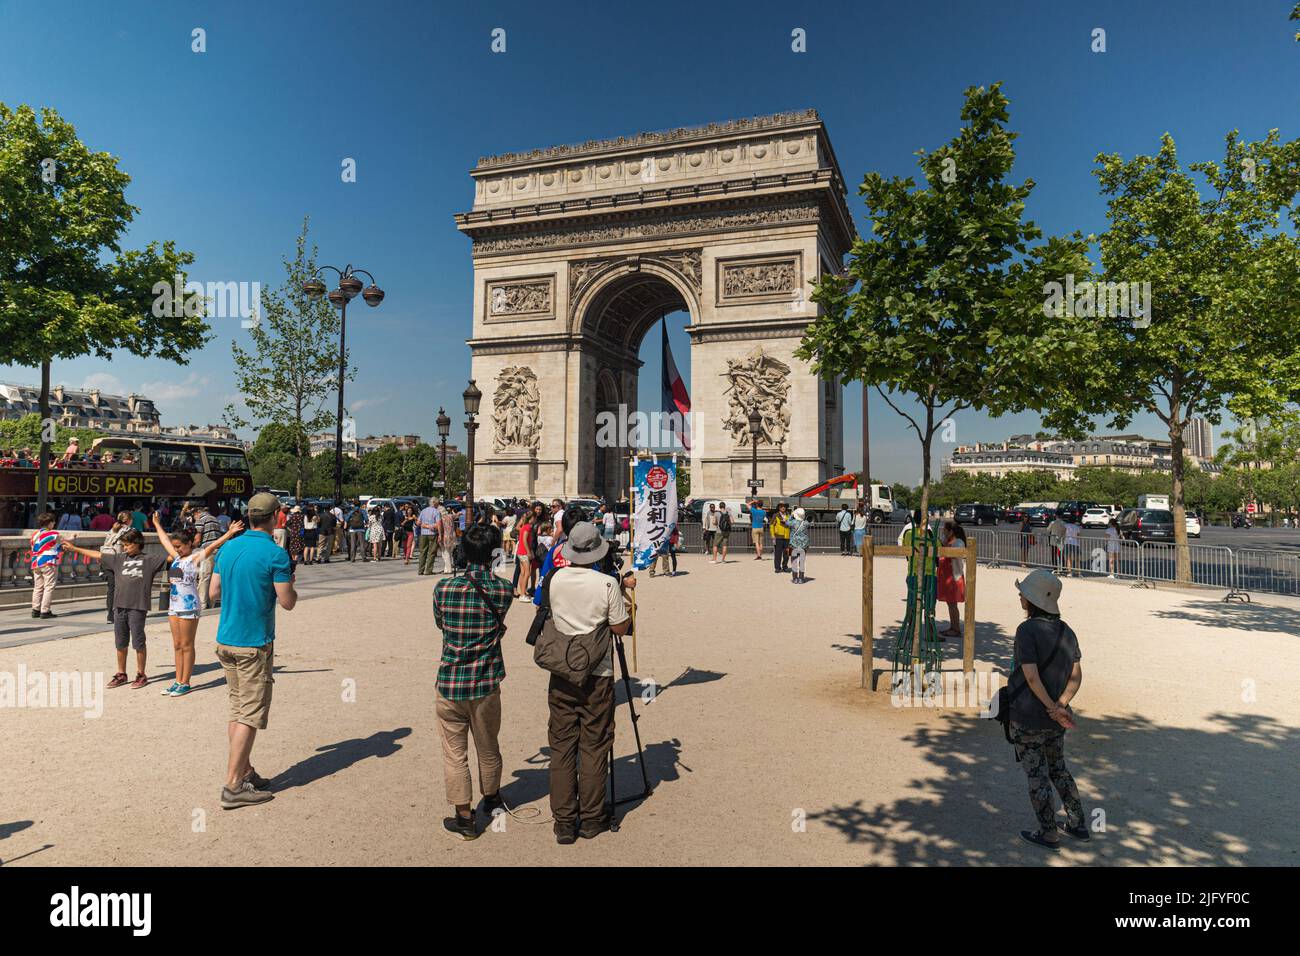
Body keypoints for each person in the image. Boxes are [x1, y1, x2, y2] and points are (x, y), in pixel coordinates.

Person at [544, 521, 635, 844]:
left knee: (562, 746)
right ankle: (592, 818)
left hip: (562, 671)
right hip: (598, 674)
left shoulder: (554, 579)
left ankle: (564, 821)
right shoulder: (607, 584)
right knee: (595, 745)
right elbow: (621, 629)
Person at [210, 492, 298, 809]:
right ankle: (233, 785)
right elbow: (287, 601)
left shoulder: (229, 546)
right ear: (275, 517)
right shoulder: (275, 554)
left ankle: (245, 769)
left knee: (237, 709)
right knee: (250, 713)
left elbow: (214, 591)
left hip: (225, 638)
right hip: (254, 641)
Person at [432, 523, 512, 841]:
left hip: (451, 681)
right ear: (495, 554)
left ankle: (464, 818)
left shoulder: (443, 588)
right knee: (488, 747)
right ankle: (491, 798)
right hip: (486, 681)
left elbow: (441, 623)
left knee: (455, 753)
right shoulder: (503, 590)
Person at [1007, 569, 1087, 851]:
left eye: (1024, 593)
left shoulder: (1026, 630)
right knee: (1059, 768)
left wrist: (1049, 705)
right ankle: (1077, 823)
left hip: (1029, 715)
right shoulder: (1068, 631)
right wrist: (1061, 704)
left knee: (1037, 774)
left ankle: (1049, 831)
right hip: (1056, 720)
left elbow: (1030, 676)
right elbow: (1076, 675)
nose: (1020, 596)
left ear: (1033, 600)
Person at [65, 528, 170, 689]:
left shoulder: (150, 559)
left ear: (137, 544)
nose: (124, 548)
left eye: (127, 545)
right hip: (119, 606)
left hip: (138, 606)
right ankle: (121, 673)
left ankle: (141, 674)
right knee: (120, 642)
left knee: (138, 641)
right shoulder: (118, 558)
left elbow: (172, 558)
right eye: (123, 545)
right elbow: (98, 555)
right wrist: (74, 549)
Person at [151, 511, 243, 696]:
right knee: (177, 644)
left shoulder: (193, 558)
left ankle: (185, 682)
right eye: (175, 547)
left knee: (187, 644)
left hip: (189, 606)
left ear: (189, 544)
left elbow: (213, 546)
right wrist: (156, 524)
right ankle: (177, 681)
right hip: (174, 606)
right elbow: (165, 541)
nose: (176, 549)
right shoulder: (177, 558)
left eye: (180, 547)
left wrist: (229, 533)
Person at [28, 512, 63, 619]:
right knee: (49, 586)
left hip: (35, 562)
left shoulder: (34, 534)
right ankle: (45, 610)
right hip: (48, 561)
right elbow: (63, 542)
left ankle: (35, 610)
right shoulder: (53, 534)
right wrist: (73, 537)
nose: (54, 524)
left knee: (38, 587)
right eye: (53, 522)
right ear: (50, 523)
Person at [99, 511, 132, 623]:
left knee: (111, 589)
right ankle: (121, 611)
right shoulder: (129, 531)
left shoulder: (112, 530)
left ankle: (110, 614)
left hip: (106, 560)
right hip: (119, 561)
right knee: (123, 587)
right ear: (129, 520)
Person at [937, 520, 967, 638]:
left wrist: (944, 544)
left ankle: (956, 628)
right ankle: (953, 626)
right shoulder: (947, 541)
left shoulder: (958, 542)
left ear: (951, 531)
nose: (943, 532)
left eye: (945, 530)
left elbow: (955, 554)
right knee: (950, 604)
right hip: (947, 577)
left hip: (954, 577)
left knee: (953, 604)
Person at [192, 502, 222, 608]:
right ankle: (211, 602)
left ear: (197, 513)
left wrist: (191, 546)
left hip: (207, 550)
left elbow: (198, 538)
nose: (194, 519)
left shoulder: (201, 519)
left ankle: (202, 602)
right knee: (212, 576)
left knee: (204, 576)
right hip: (216, 550)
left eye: (193, 516)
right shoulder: (214, 519)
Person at [417, 499, 442, 575]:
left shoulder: (423, 511)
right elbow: (439, 524)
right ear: (435, 503)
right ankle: (428, 570)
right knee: (431, 552)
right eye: (437, 503)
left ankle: (420, 570)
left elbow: (418, 523)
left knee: (422, 552)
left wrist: (425, 526)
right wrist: (440, 534)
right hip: (432, 534)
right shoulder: (436, 512)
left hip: (423, 534)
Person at [787, 507, 811, 584]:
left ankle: (795, 578)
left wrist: (791, 515)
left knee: (794, 562)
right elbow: (807, 522)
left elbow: (787, 522)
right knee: (802, 562)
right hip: (803, 545)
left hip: (794, 545)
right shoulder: (806, 523)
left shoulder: (793, 522)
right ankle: (801, 578)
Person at [438, 503, 459, 575]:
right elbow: (456, 516)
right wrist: (458, 513)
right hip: (452, 536)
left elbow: (439, 528)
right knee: (449, 553)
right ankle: (446, 569)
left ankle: (448, 569)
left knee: (445, 553)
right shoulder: (450, 516)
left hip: (445, 536)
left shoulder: (441, 519)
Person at [771, 502, 791, 573]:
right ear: (779, 508)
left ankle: (785, 566)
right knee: (778, 553)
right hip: (778, 537)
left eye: (784, 506)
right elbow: (771, 525)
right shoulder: (775, 515)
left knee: (787, 553)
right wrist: (773, 535)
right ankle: (777, 567)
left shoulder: (789, 515)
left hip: (787, 537)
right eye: (781, 506)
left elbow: (791, 525)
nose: (783, 507)